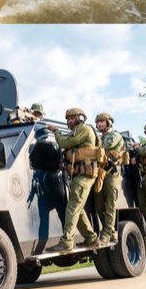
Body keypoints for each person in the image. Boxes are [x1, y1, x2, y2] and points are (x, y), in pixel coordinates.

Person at [51, 107, 101, 252]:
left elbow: (65, 143)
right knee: (77, 209)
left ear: (80, 118)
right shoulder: (76, 131)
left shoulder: (84, 129)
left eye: (72, 118)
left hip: (85, 175)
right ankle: (91, 239)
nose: (69, 121)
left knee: (72, 207)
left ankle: (67, 241)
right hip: (79, 175)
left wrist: (55, 131)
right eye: (68, 119)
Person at [93, 112, 125, 246]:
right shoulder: (100, 138)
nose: (99, 124)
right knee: (99, 204)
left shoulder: (115, 136)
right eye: (98, 122)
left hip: (112, 174)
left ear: (109, 122)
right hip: (101, 173)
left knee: (110, 204)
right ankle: (111, 232)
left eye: (102, 121)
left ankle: (105, 234)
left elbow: (107, 147)